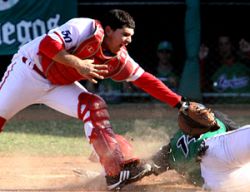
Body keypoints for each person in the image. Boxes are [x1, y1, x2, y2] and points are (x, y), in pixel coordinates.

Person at [0, 9, 186, 190]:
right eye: (125, 34)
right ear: (108, 30)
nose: (129, 40)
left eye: (131, 36)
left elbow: (145, 79)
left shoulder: (119, 59)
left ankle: (115, 172)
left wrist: (179, 103)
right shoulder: (85, 28)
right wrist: (78, 63)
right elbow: (47, 45)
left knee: (94, 106)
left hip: (58, 85)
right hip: (28, 72)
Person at [146, 104, 250, 192]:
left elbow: (153, 164)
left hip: (205, 181)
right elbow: (237, 135)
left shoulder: (173, 144)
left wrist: (145, 167)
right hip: (219, 175)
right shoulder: (219, 120)